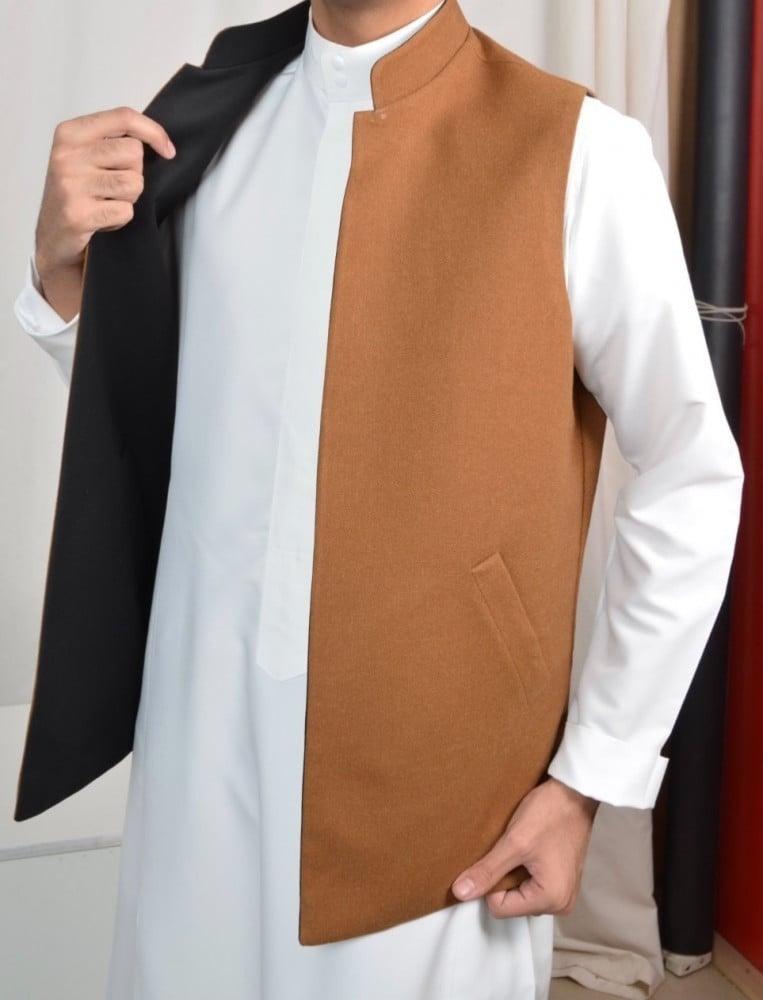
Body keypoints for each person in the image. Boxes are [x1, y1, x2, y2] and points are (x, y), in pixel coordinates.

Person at [14, 1, 744, 998]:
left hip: (441, 799)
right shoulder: (201, 125)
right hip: (196, 747)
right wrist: (61, 277)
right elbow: (158, 423)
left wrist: (589, 779)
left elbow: (690, 471)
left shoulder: (579, 151)